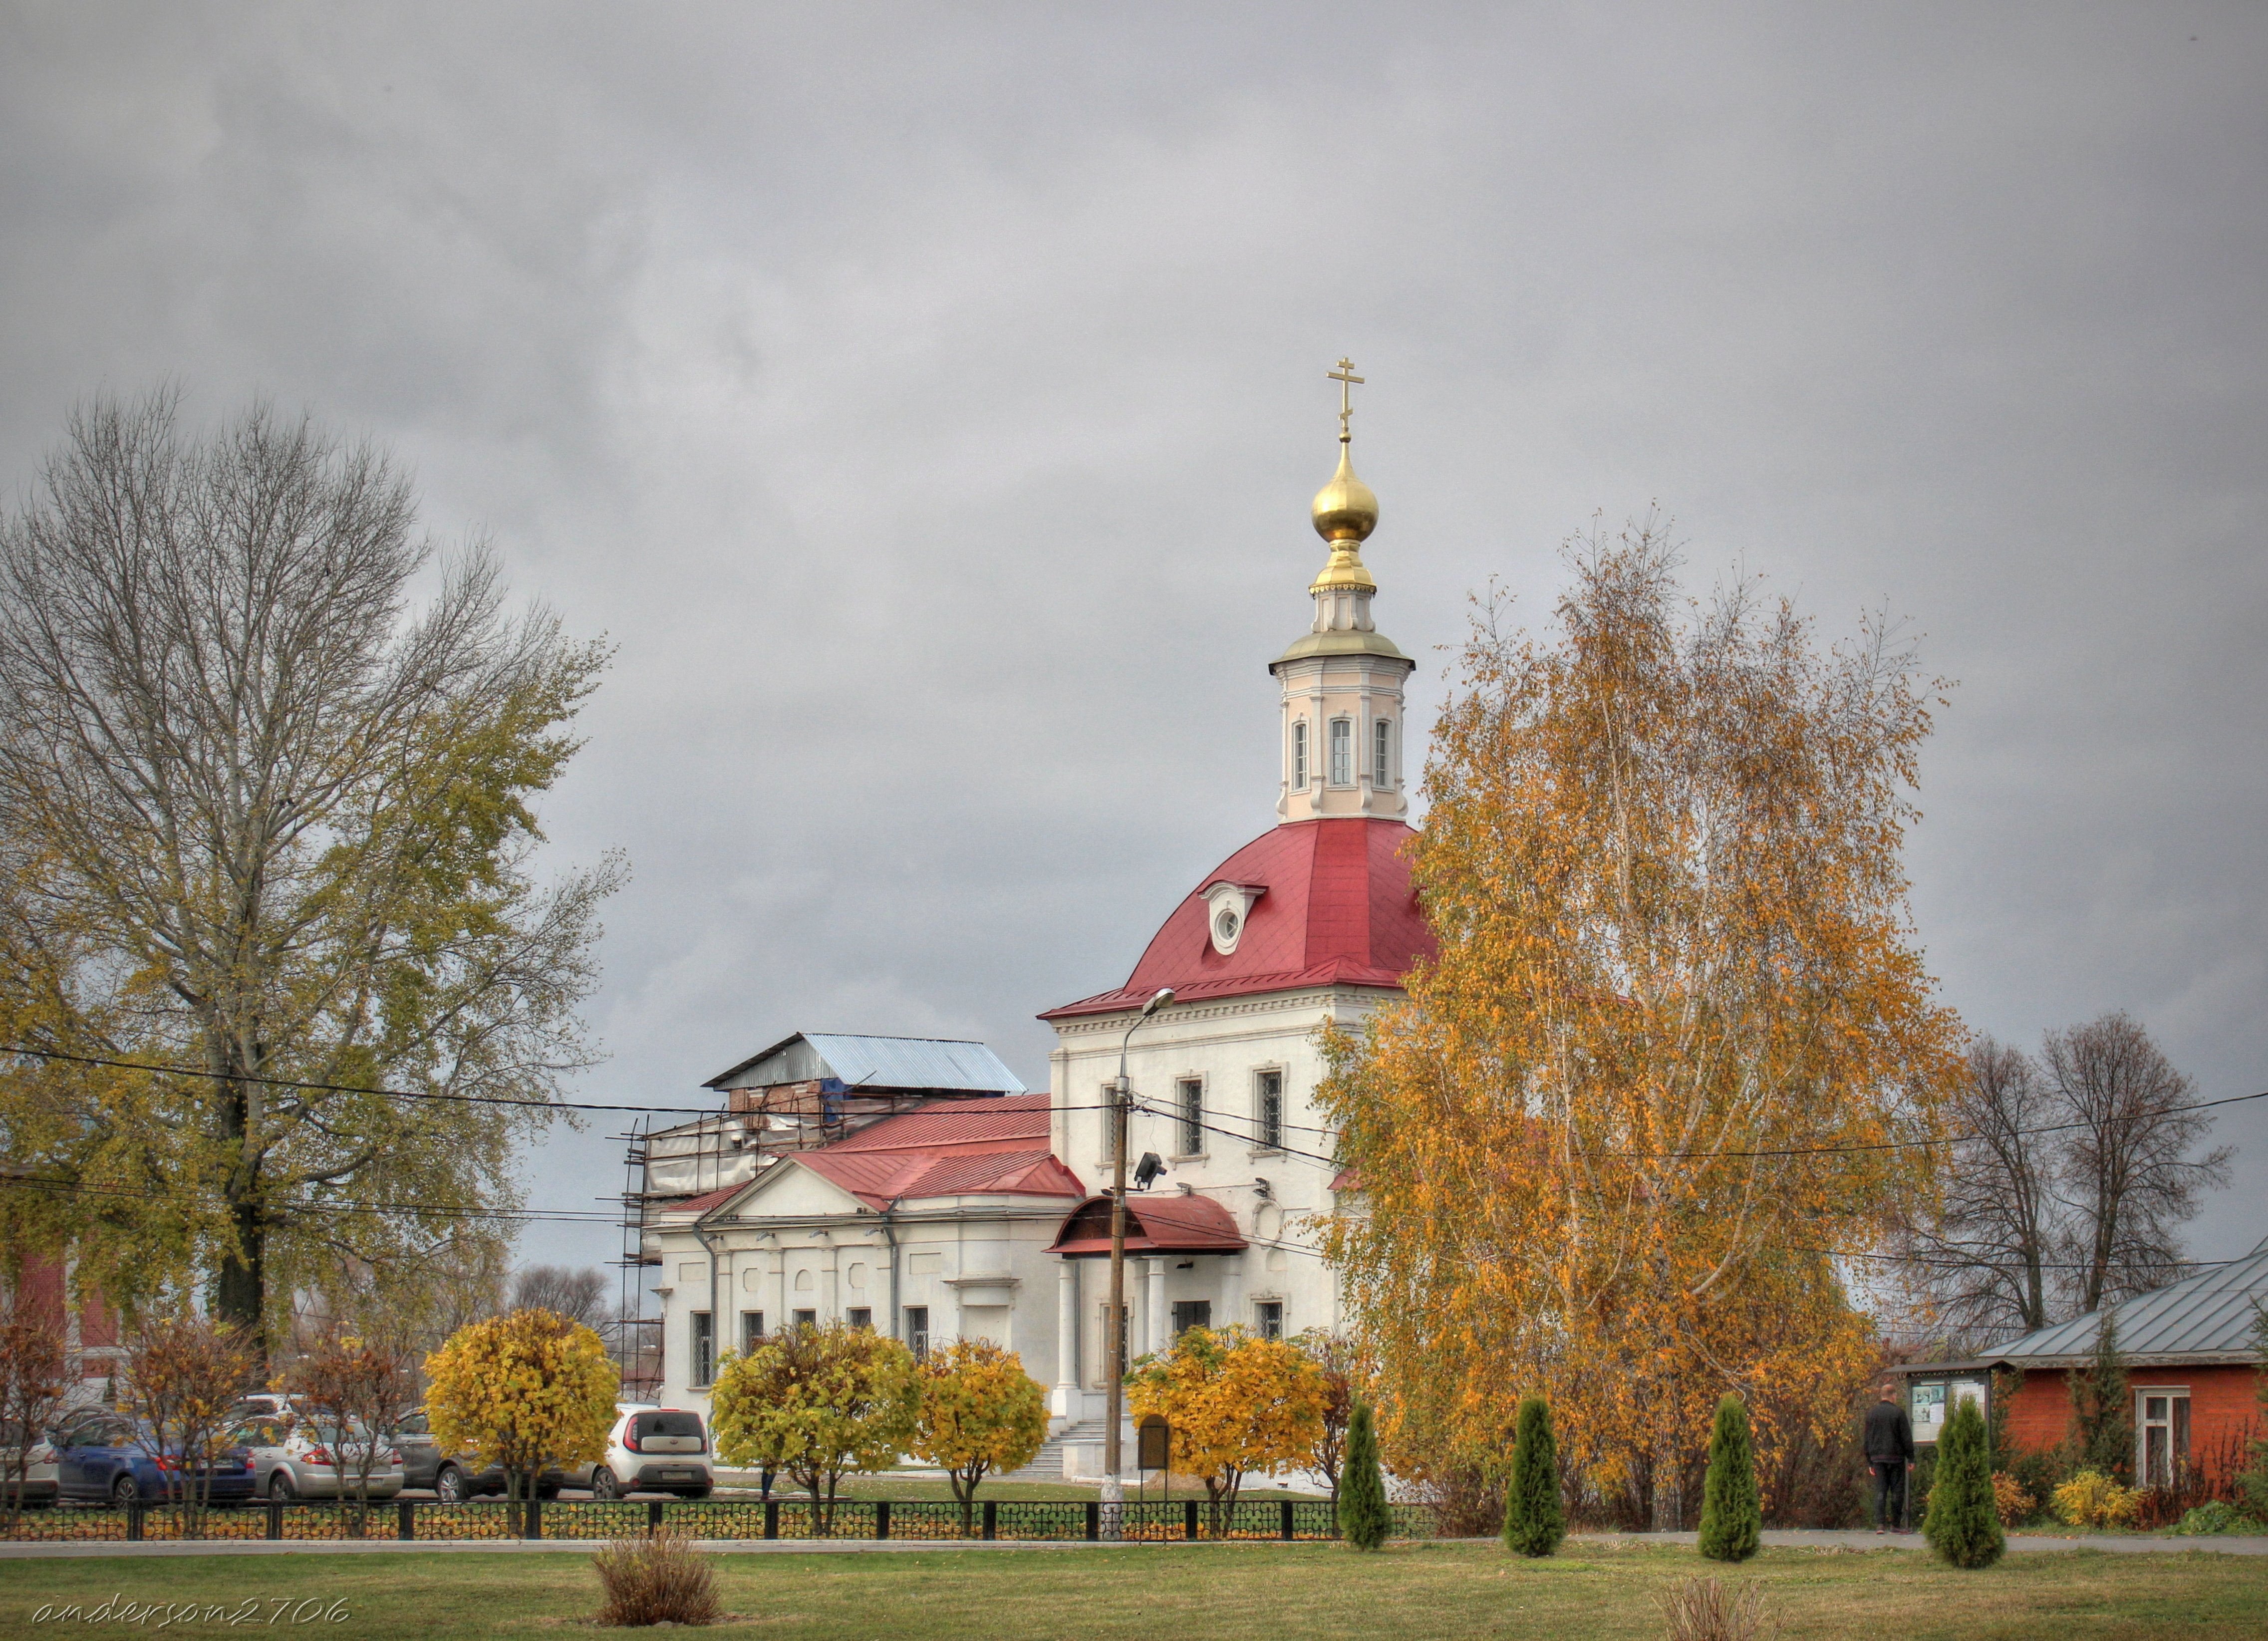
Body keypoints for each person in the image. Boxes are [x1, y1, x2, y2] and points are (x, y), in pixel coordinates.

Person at [1863, 1378, 1916, 1533]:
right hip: (1896, 1458)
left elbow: (1867, 1439)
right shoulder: (1898, 1413)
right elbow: (1906, 1437)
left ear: (1882, 1396)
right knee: (1897, 1491)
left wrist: (1870, 1462)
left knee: (1881, 1490)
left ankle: (1880, 1525)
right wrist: (1911, 1458)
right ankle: (1895, 1525)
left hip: (1878, 1459)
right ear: (1893, 1396)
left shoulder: (1872, 1414)